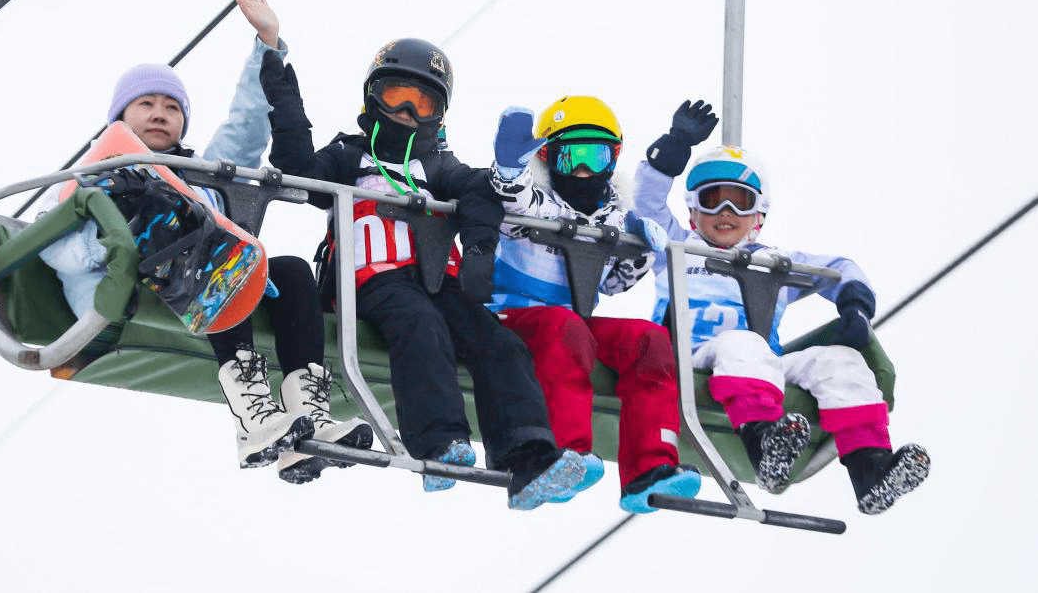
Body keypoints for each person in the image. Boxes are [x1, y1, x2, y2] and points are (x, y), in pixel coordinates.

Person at [38, 0, 371, 484]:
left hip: (212, 271)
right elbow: (54, 238)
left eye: (170, 108)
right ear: (121, 117)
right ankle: (253, 418)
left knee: (292, 272)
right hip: (143, 279)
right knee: (216, 259)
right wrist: (110, 247)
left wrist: (268, 42)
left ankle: (308, 422)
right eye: (145, 104)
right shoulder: (99, 173)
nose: (158, 114)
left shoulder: (197, 174)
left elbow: (246, 125)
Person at [259, 36, 587, 510]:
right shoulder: (349, 156)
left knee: (497, 342)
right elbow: (299, 169)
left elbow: (478, 190)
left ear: (438, 114)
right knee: (420, 325)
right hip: (369, 277)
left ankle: (526, 455)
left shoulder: (436, 164)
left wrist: (478, 247)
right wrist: (285, 96)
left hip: (438, 277)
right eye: (397, 96)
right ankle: (438, 442)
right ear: (373, 97)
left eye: (423, 102)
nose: (408, 111)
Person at [632, 99, 930, 514]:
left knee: (839, 362)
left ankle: (869, 467)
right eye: (712, 200)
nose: (725, 213)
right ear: (693, 211)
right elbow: (643, 204)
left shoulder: (773, 263)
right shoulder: (676, 246)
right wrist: (675, 146)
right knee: (742, 342)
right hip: (689, 361)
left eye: (740, 202)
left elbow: (841, 267)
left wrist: (855, 308)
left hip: (758, 368)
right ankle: (762, 440)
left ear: (759, 213)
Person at [488, 98, 702, 513]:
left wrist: (637, 249)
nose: (584, 169)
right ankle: (565, 451)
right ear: (550, 158)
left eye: (596, 156)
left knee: (650, 341)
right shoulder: (539, 203)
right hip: (509, 316)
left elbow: (613, 284)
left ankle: (650, 467)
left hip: (571, 323)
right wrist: (511, 168)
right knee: (564, 327)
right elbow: (511, 199)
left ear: (612, 159)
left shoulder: (613, 218)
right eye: (573, 156)